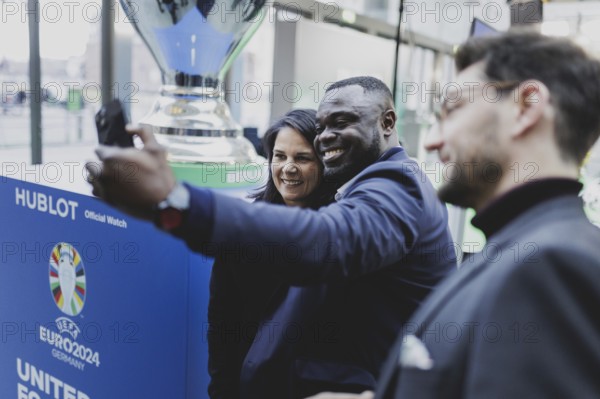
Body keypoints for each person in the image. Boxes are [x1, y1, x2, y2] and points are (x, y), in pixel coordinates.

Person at [88, 76, 456, 398]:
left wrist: (175, 199)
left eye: (341, 122)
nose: (326, 136)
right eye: (322, 126)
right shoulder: (358, 190)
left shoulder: (397, 184)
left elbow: (328, 243)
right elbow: (226, 331)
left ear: (387, 122)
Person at [308, 30, 600, 399]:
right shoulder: (522, 247)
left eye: (452, 110)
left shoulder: (553, 263)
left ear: (526, 106)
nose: (432, 141)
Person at [208, 108, 336, 398]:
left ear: (324, 163)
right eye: (280, 156)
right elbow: (222, 327)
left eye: (302, 158)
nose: (288, 168)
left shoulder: (342, 232)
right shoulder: (244, 232)